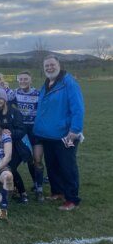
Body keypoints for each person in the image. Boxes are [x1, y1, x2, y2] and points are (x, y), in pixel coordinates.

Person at [34, 55, 85, 211]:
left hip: (65, 134)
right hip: (47, 134)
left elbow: (78, 108)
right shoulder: (47, 83)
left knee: (67, 167)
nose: (49, 68)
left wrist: (74, 130)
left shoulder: (68, 83)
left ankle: (72, 199)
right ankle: (58, 192)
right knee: (52, 165)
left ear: (59, 65)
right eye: (46, 66)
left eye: (52, 65)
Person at [0, 88, 33, 203]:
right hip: (4, 147)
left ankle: (23, 194)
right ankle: (13, 189)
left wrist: (10, 132)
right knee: (6, 167)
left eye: (0, 98)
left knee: (10, 168)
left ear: (5, 100)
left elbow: (22, 130)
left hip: (19, 147)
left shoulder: (14, 112)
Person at [15, 71, 45, 198]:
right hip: (22, 130)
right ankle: (30, 184)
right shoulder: (14, 93)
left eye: (25, 79)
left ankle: (39, 188)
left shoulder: (38, 94)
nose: (23, 81)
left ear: (30, 80)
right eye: (20, 79)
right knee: (28, 159)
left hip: (35, 130)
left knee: (37, 159)